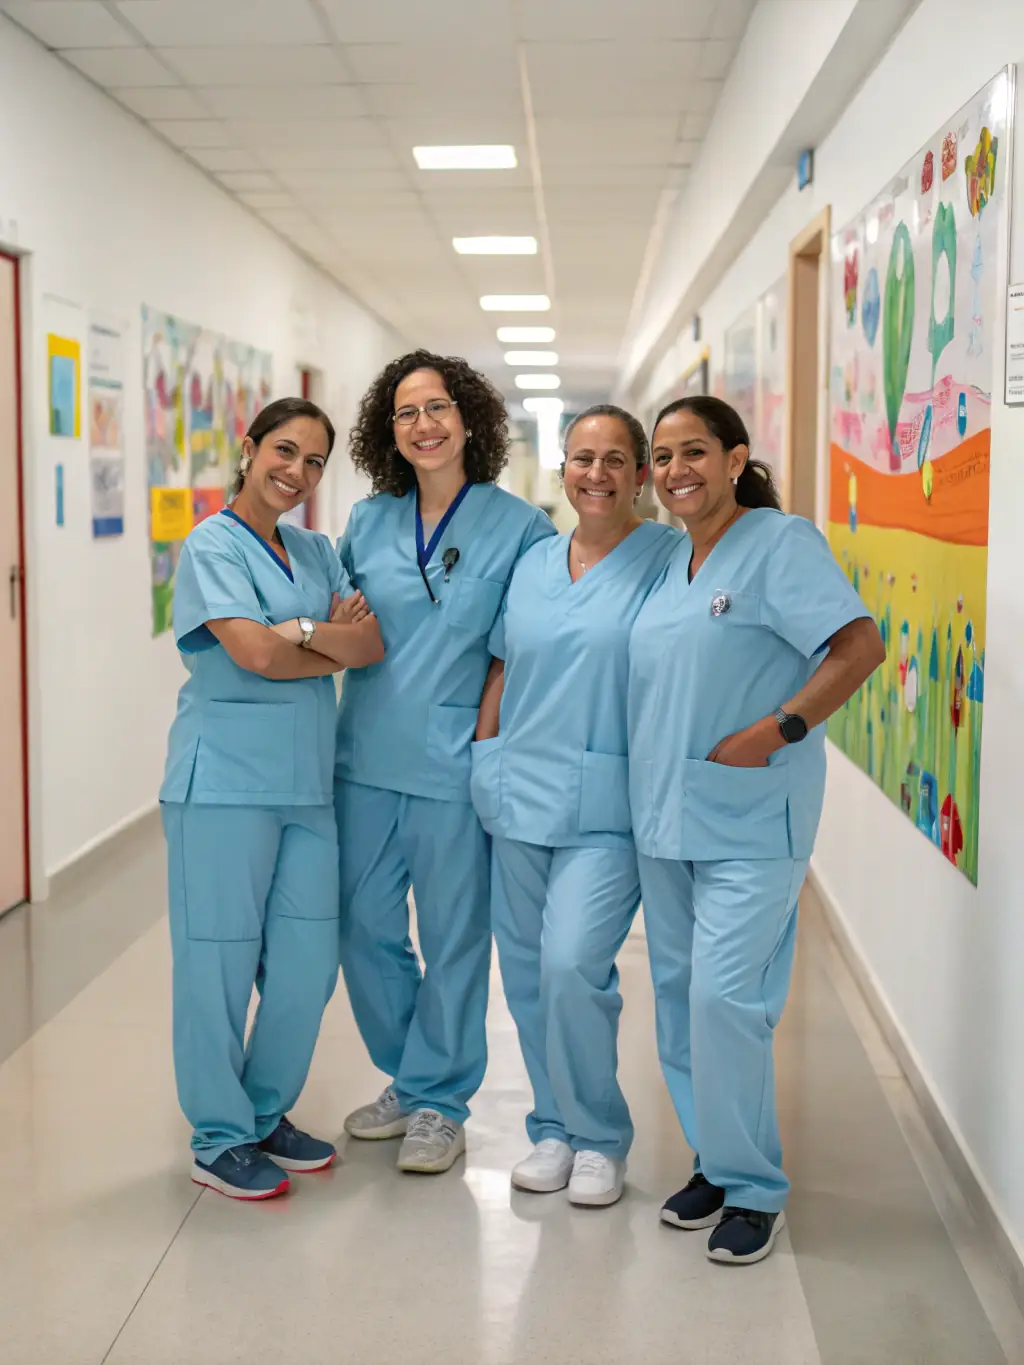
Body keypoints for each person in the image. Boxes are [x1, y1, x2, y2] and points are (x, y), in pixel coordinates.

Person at [629, 396, 885, 1262]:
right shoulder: (670, 561)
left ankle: (755, 1186)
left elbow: (859, 645)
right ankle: (714, 1156)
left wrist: (778, 729)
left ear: (736, 458)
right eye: (661, 457)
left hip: (750, 814)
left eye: (693, 452)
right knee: (678, 1000)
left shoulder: (780, 543)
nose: (676, 472)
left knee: (724, 997)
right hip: (665, 815)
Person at [335, 350, 555, 1174]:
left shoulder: (520, 527)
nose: (422, 424)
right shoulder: (368, 522)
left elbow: (517, 650)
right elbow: (347, 618)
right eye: (405, 413)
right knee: (362, 928)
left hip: (456, 764)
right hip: (365, 754)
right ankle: (411, 1072)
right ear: (388, 432)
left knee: (458, 935)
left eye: (436, 407)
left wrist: (488, 747)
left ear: (468, 418)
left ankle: (440, 1101)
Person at [160, 397, 385, 1201]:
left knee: (306, 963)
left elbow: (369, 643)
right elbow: (251, 653)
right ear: (250, 450)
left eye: (316, 460)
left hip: (305, 788)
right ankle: (218, 1136)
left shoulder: (317, 549)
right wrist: (307, 634)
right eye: (285, 451)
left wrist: (294, 633)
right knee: (217, 961)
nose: (297, 471)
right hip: (220, 784)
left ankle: (262, 1112)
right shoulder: (211, 544)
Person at [473, 405, 680, 1206]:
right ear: (563, 468)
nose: (596, 473)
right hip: (516, 789)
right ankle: (551, 1126)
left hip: (608, 802)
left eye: (616, 459)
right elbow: (500, 665)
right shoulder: (533, 560)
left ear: (641, 474)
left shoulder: (667, 556)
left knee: (571, 966)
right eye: (582, 458)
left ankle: (599, 1136)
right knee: (525, 974)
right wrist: (485, 757)